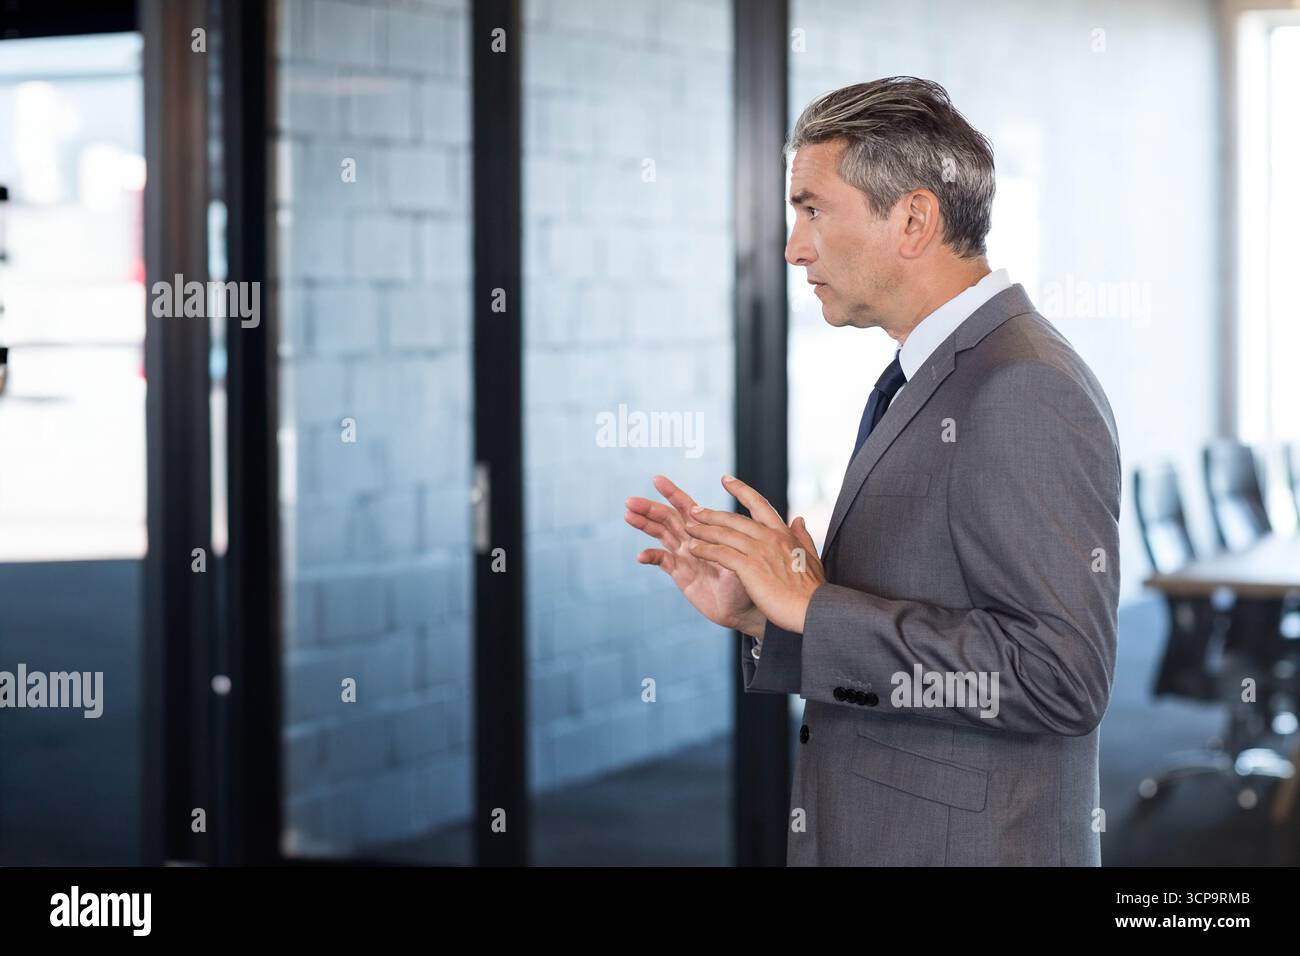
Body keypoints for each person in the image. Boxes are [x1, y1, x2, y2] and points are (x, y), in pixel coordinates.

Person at [624, 77, 1121, 866]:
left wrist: (815, 607)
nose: (793, 246)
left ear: (914, 219)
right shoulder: (929, 373)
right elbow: (922, 622)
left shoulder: (1023, 385)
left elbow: (1058, 677)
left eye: (812, 209)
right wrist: (772, 618)